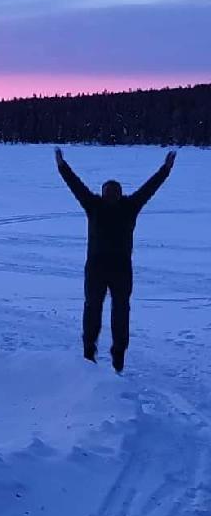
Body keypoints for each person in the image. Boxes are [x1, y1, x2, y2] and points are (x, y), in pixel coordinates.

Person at [55, 147, 177, 373]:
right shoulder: (102, 205)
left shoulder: (114, 206)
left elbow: (149, 188)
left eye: (112, 192)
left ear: (117, 194)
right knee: (100, 309)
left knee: (112, 310)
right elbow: (77, 186)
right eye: (108, 192)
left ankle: (111, 356)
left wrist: (165, 169)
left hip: (112, 270)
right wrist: (62, 167)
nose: (110, 196)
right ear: (105, 194)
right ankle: (93, 353)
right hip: (105, 270)